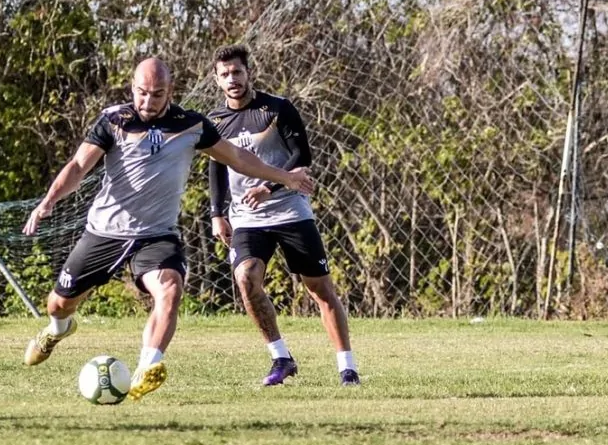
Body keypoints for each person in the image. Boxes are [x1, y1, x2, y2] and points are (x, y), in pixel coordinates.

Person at [22, 57, 315, 401]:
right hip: (105, 231)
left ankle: (146, 369)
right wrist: (49, 201)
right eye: (142, 93)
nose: (148, 101)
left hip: (157, 235)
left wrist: (284, 177)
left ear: (170, 91)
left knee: (171, 289)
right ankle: (58, 329)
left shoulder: (191, 125)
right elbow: (77, 166)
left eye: (157, 94)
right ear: (132, 88)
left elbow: (237, 157)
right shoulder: (114, 120)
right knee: (58, 304)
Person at [207, 44, 360, 387]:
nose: (232, 79)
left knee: (320, 289)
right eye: (225, 74)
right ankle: (281, 358)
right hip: (248, 218)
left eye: (237, 72)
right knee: (246, 278)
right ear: (217, 80)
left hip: (290, 210)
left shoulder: (277, 109)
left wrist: (269, 187)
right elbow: (216, 167)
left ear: (248, 73)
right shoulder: (215, 122)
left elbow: (301, 156)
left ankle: (347, 368)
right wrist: (217, 213)